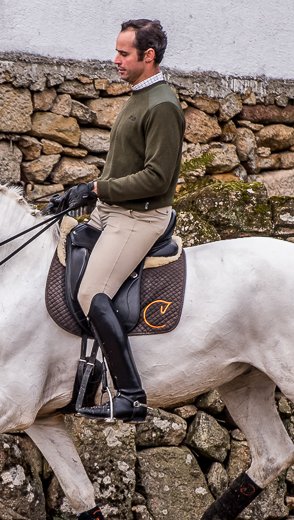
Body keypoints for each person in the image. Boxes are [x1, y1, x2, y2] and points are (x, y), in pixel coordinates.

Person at [60, 19, 185, 423]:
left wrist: (98, 189)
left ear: (148, 57)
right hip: (112, 210)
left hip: (139, 218)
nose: (115, 60)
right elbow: (124, 166)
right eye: (116, 52)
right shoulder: (139, 96)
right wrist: (83, 193)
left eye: (124, 54)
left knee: (90, 291)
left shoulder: (162, 104)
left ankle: (130, 395)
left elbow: (157, 178)